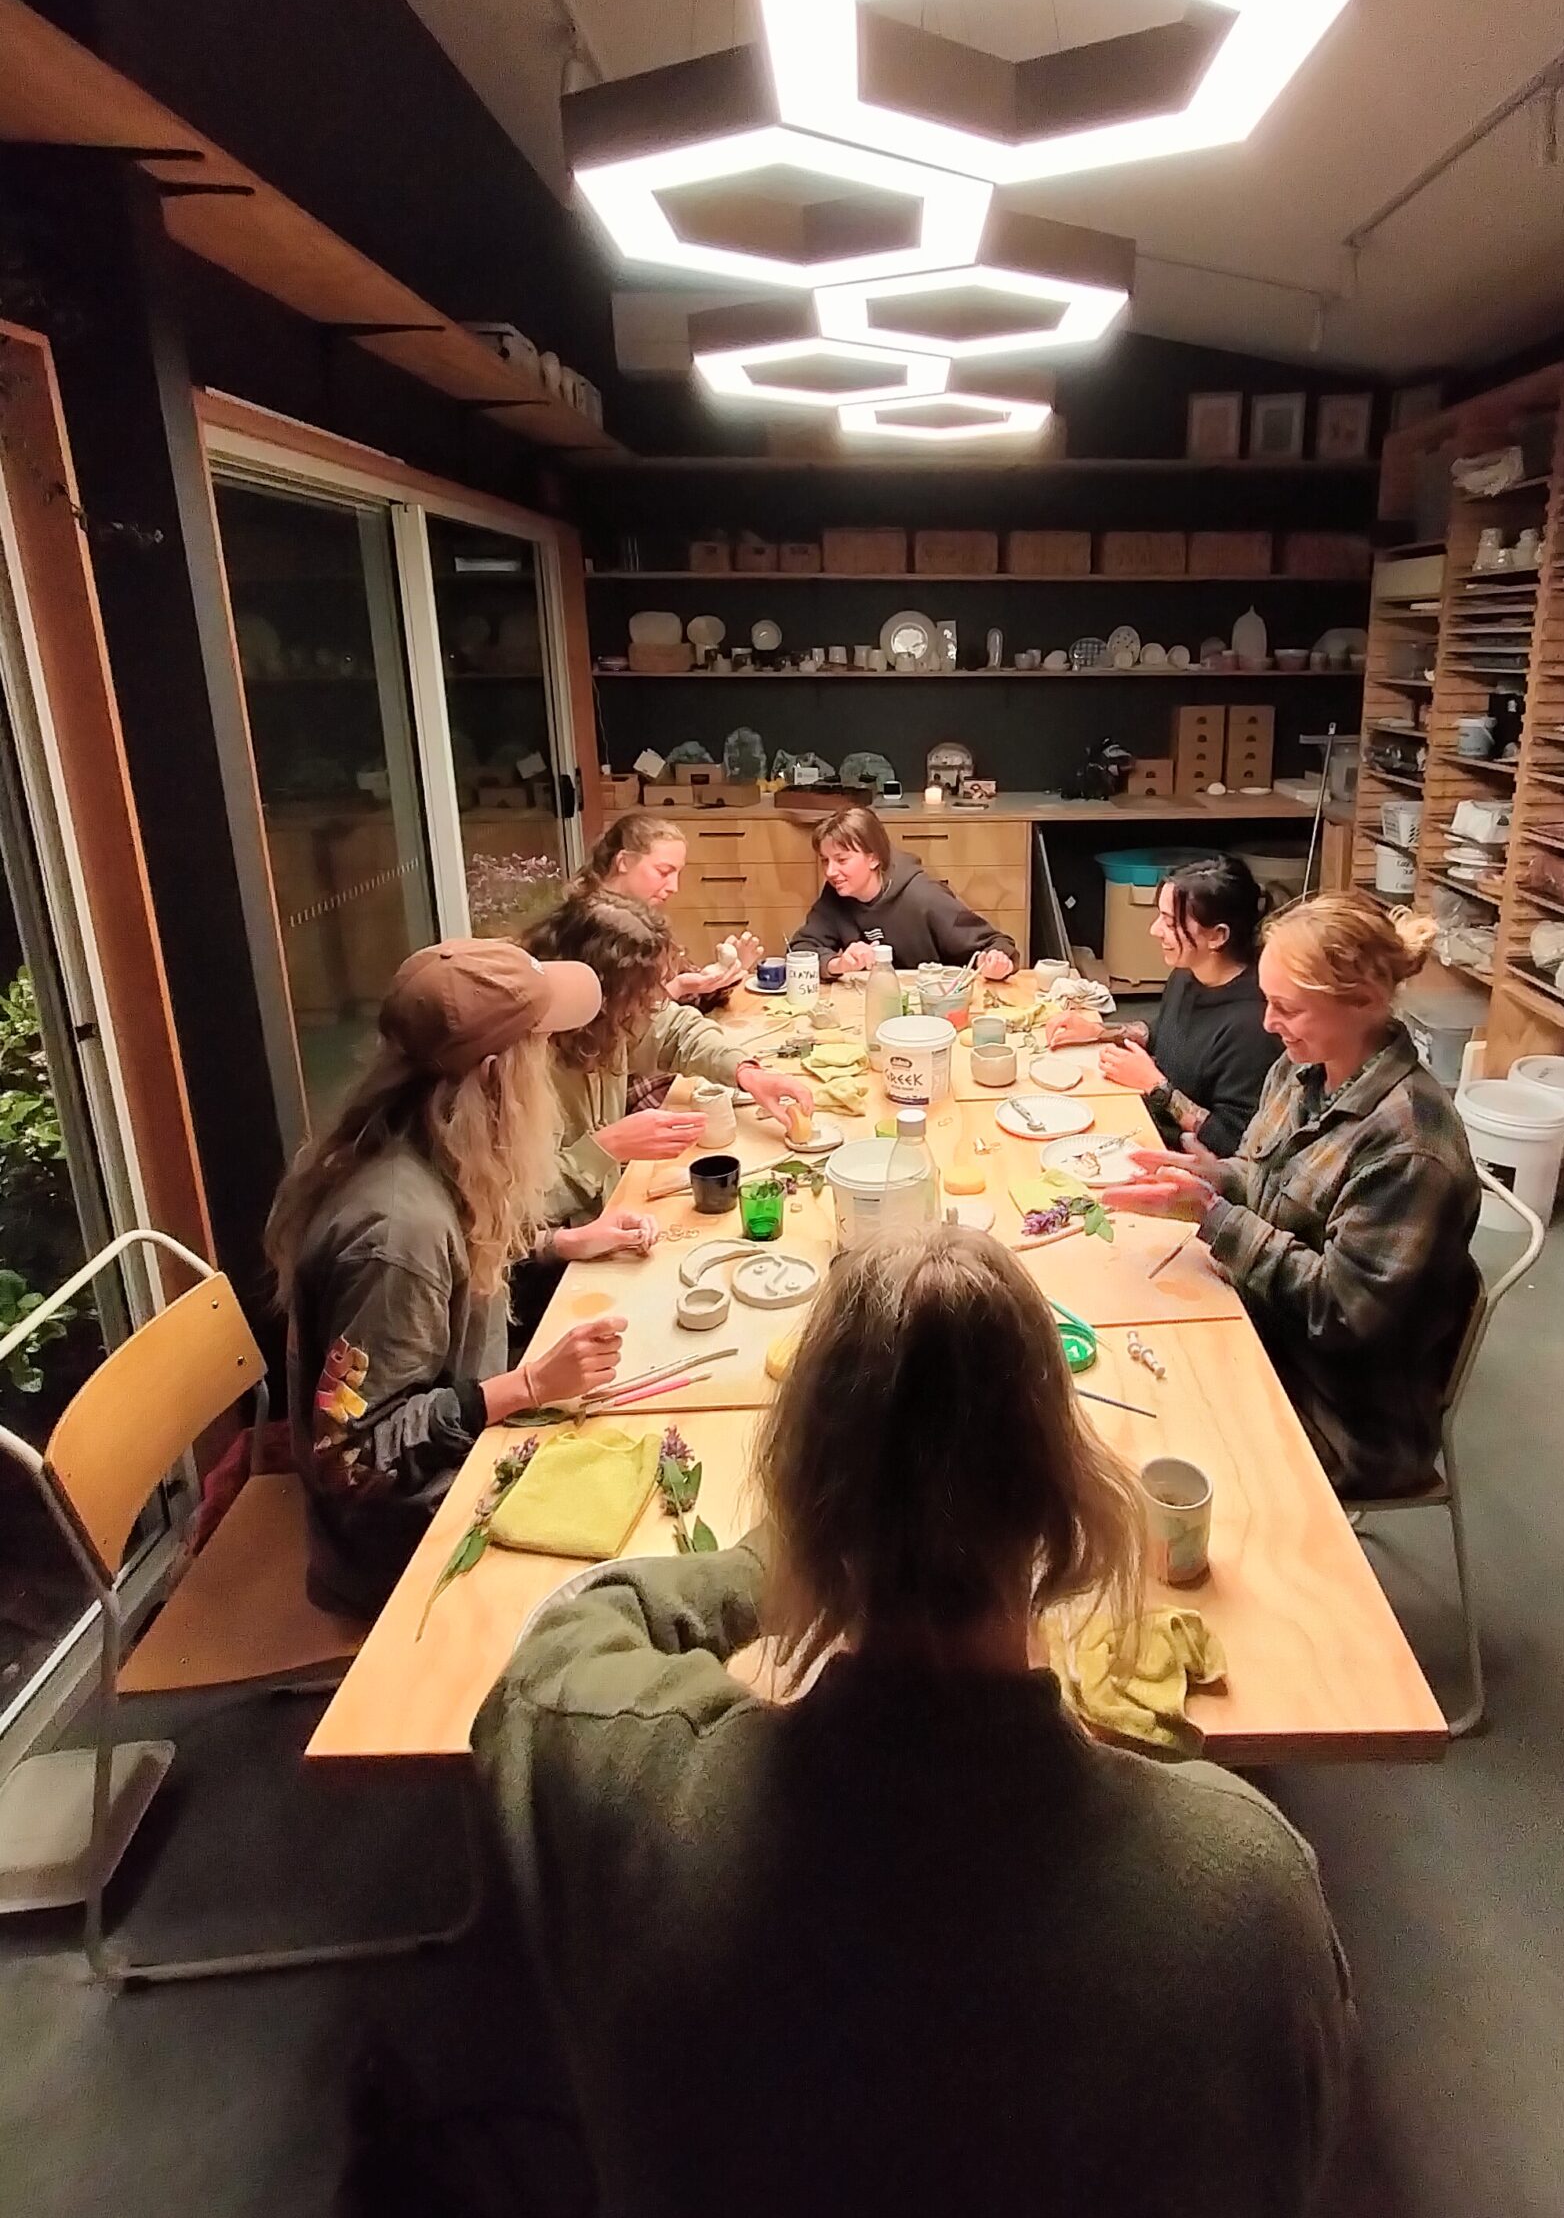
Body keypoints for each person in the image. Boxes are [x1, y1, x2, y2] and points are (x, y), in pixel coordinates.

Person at [476, 1226, 1353, 2217]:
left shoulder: (631, 1787)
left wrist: (756, 1570)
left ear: (811, 1509)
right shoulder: (1251, 1895)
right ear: (1062, 1513)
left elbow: (560, 1634)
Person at [267, 940, 647, 1616]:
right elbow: (353, 1456)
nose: (549, 1065)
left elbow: (461, 1268)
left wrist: (560, 1241)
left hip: (464, 1464)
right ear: (498, 1074)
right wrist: (526, 1385)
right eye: (540, 1050)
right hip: (405, 1550)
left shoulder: (429, 1141)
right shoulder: (395, 1232)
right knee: (644, 1556)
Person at [1103, 894, 1482, 1499]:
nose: (1266, 1024)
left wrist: (1214, 1216)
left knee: (1141, 1424)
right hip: (1269, 1327)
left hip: (1343, 1410)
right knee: (1116, 1351)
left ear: (1364, 1002)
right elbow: (1264, 1177)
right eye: (1268, 1002)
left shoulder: (1409, 1147)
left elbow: (1340, 1313)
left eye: (1287, 1008)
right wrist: (1208, 1180)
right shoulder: (1303, 1067)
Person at [521, 891, 811, 1221]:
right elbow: (519, 1211)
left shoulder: (603, 1019)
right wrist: (606, 1147)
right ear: (600, 989)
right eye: (639, 994)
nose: (649, 1004)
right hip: (559, 1260)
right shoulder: (520, 1064)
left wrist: (747, 1073)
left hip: (612, 1216)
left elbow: (674, 1029)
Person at [1045, 854, 1279, 1155]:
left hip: (1185, 1167)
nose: (1155, 930)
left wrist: (1156, 1087)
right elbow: (1163, 1035)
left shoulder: (1254, 1024)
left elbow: (1233, 1140)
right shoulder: (1187, 975)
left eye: (1170, 922)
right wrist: (1098, 1031)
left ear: (1218, 936)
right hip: (1144, 1123)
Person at [789, 803, 1017, 977]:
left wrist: (995, 962)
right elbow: (800, 951)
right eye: (825, 861)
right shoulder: (836, 894)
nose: (830, 871)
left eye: (841, 860)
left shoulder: (924, 897)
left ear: (873, 858)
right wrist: (839, 964)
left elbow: (996, 945)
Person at [578, 809, 760, 1003]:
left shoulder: (644, 922)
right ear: (624, 862)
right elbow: (618, 1023)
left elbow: (685, 996)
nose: (674, 887)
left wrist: (725, 974)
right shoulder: (592, 928)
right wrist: (677, 989)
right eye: (664, 872)